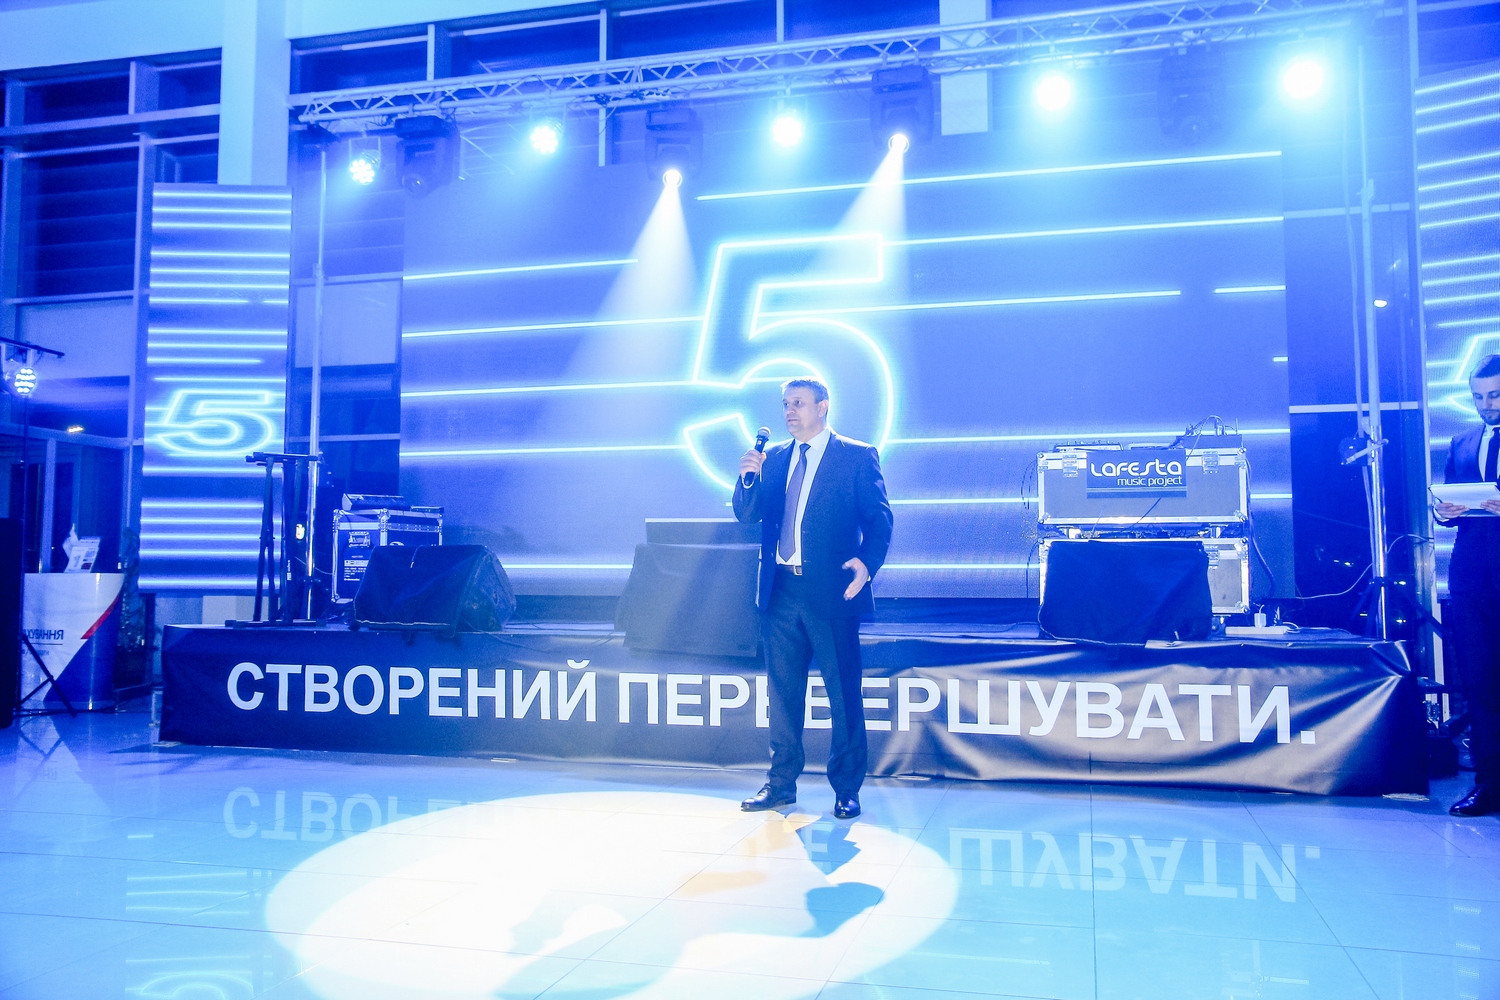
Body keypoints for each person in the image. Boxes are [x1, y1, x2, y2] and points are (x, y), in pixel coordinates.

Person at [733, 377, 893, 820]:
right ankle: (781, 784)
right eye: (786, 403)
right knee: (783, 695)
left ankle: (846, 789)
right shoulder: (773, 459)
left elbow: (880, 520)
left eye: (799, 403)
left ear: (823, 406)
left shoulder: (856, 456)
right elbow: (747, 515)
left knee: (843, 694)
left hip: (832, 592)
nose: (789, 411)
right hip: (780, 591)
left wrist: (868, 563)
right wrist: (747, 479)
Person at [1434, 353, 1500, 817]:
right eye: (1478, 397)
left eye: (1494, 395)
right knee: (1479, 682)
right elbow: (1449, 509)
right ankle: (1489, 784)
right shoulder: (1461, 442)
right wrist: (1444, 512)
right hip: (1471, 577)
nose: (1486, 405)